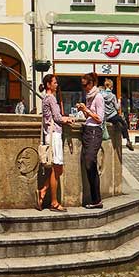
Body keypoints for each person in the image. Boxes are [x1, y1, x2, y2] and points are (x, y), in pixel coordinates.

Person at [73, 77, 106, 210]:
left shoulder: (98, 97)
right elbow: (89, 117)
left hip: (94, 132)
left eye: (85, 84)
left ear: (91, 84)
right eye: (82, 85)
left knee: (90, 161)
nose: (84, 87)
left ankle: (96, 199)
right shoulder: (89, 97)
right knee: (88, 165)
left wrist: (86, 110)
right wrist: (83, 110)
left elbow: (99, 119)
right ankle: (95, 199)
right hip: (87, 130)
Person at [36, 76, 66, 212]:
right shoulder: (51, 98)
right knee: (56, 168)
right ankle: (54, 202)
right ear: (49, 85)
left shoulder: (45, 98)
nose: (57, 84)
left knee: (58, 169)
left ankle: (43, 191)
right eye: (54, 82)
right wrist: (68, 119)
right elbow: (57, 117)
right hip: (54, 134)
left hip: (50, 133)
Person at [101, 77, 132, 151]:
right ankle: (128, 141)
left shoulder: (101, 95)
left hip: (106, 117)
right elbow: (117, 107)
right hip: (113, 115)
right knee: (124, 124)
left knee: (119, 124)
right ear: (111, 87)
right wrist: (119, 101)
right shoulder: (112, 96)